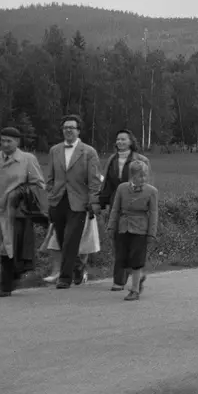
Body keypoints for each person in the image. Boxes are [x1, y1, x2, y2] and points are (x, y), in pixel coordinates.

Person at [0, 125, 48, 297]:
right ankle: (10, 280)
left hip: (18, 213)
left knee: (12, 249)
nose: (5, 144)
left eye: (9, 141)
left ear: (17, 142)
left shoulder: (27, 159)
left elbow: (39, 184)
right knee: (2, 249)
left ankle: (6, 286)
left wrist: (20, 192)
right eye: (2, 140)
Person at [46, 114, 103, 289]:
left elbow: (94, 180)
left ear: (78, 131)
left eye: (72, 127)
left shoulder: (88, 152)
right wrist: (50, 195)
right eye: (65, 128)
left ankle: (65, 277)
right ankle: (78, 267)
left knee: (71, 239)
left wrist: (93, 202)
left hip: (79, 202)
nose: (68, 130)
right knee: (63, 240)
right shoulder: (54, 150)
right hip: (58, 201)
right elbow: (50, 177)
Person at [105, 155, 158, 300]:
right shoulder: (121, 189)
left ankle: (134, 290)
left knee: (136, 259)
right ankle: (139, 276)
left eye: (145, 176)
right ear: (132, 176)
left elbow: (153, 214)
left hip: (140, 229)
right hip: (123, 227)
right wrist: (111, 226)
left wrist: (151, 233)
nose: (144, 179)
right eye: (140, 176)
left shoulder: (151, 191)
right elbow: (115, 209)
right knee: (122, 259)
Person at [99, 128, 143, 292]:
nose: (120, 142)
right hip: (115, 206)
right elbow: (107, 185)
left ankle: (136, 271)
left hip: (134, 207)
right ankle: (119, 279)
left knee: (132, 241)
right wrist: (101, 202)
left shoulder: (140, 160)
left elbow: (146, 186)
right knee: (118, 241)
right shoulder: (112, 159)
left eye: (123, 139)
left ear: (131, 141)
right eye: (118, 139)